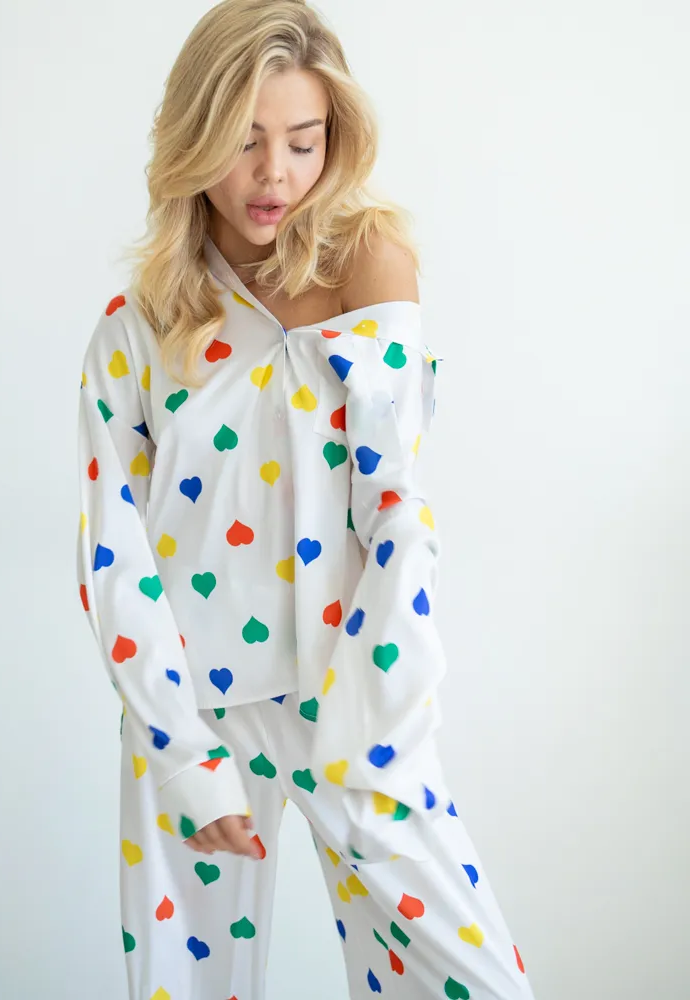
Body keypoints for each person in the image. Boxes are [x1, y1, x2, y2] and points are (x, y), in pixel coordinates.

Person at [75, 1, 537, 997]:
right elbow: (114, 554)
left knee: (469, 977)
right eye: (243, 140)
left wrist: (383, 720)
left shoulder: (368, 265)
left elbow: (396, 509)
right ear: (194, 135)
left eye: (301, 139)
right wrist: (180, 753)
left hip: (351, 697)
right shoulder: (135, 328)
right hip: (192, 708)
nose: (274, 174)